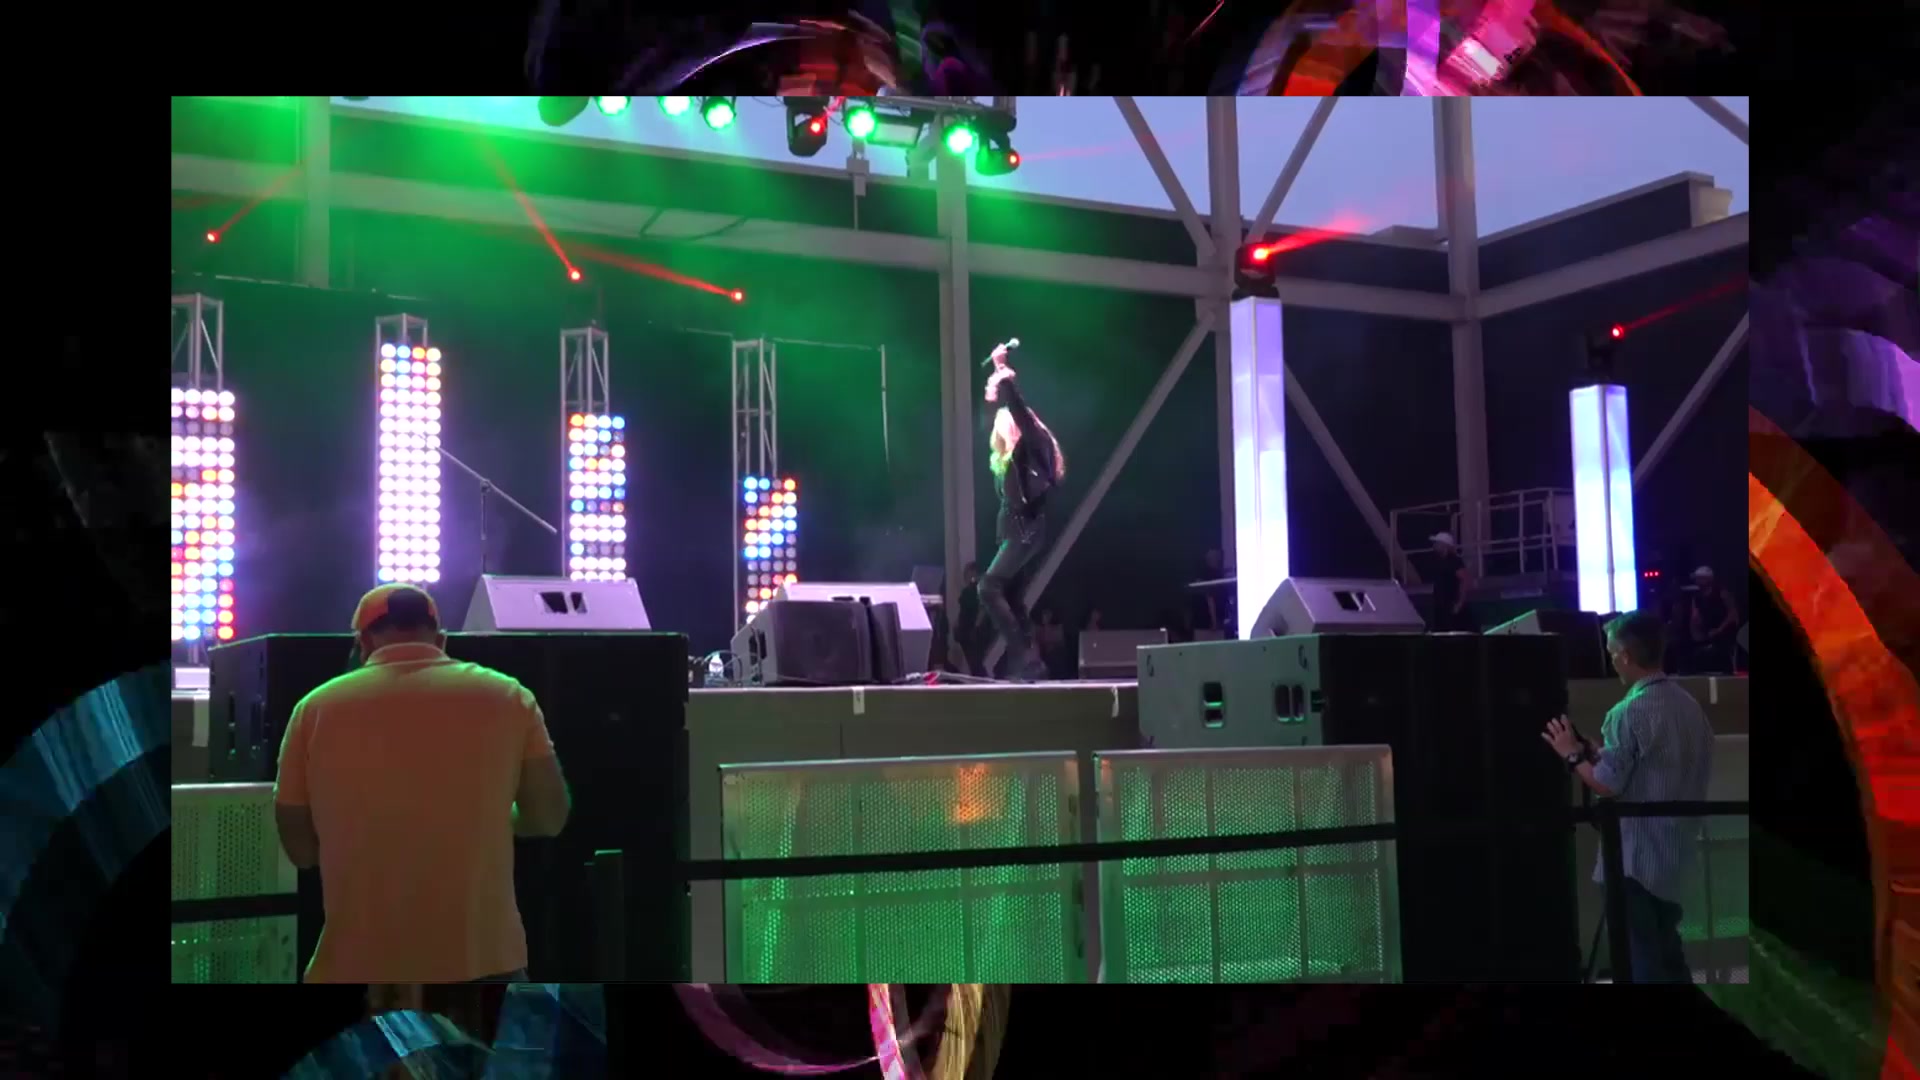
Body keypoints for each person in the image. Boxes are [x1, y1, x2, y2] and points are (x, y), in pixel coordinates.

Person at [272, 584, 573, 984]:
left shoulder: (314, 709)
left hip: (356, 965)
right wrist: (498, 817)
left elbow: (300, 848)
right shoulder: (509, 696)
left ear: (362, 643)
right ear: (441, 639)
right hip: (484, 963)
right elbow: (548, 817)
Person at [1541, 609, 1714, 984]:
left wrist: (1571, 755)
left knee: (1641, 960)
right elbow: (1652, 766)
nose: (1611, 660)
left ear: (1625, 655)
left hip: (1635, 859)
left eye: (1611, 652)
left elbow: (1607, 785)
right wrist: (1597, 753)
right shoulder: (1690, 708)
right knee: (1668, 954)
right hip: (1676, 855)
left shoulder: (1627, 712)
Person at [979, 344, 1066, 682]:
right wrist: (991, 390)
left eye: (1004, 425)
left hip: (1025, 530)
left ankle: (1021, 654)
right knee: (1013, 596)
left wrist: (1003, 371)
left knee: (988, 588)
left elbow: (1017, 409)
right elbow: (990, 418)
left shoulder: (1033, 445)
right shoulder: (1008, 460)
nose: (998, 429)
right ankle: (1031, 662)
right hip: (1015, 531)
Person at [1684, 566, 1740, 673]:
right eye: (1696, 578)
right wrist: (1697, 632)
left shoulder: (1721, 593)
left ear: (1708, 579)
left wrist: (1719, 629)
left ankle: (1728, 668)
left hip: (1725, 629)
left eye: (1699, 578)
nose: (1697, 581)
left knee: (1722, 647)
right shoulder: (1697, 597)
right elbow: (1695, 618)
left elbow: (1733, 614)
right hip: (1708, 630)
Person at [1427, 531, 1473, 631]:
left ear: (1444, 545)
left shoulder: (1454, 561)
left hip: (1451, 606)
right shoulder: (1438, 561)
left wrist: (1459, 603)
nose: (1434, 545)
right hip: (1440, 606)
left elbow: (1465, 580)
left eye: (1437, 543)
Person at [954, 561, 985, 675]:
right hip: (965, 630)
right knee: (972, 662)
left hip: (971, 630)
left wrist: (976, 627)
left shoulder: (975, 590)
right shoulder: (968, 591)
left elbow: (981, 609)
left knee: (975, 662)